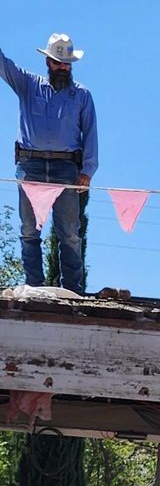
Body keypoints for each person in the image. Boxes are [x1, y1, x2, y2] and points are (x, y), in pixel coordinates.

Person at [0, 33, 98, 293]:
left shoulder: (81, 95)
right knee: (29, 229)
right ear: (48, 62)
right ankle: (34, 286)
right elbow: (2, 64)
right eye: (58, 62)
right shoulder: (28, 84)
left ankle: (72, 291)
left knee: (70, 233)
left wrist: (87, 171)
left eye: (66, 63)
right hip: (30, 165)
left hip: (66, 168)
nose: (63, 67)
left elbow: (90, 134)